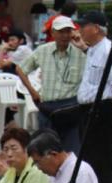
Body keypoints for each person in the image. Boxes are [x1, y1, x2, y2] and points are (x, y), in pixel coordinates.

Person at [12, 16, 85, 155]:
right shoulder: (43, 50)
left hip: (71, 106)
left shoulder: (81, 51)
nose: (65, 35)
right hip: (48, 107)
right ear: (53, 33)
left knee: (72, 153)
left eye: (68, 31)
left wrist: (82, 45)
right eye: (61, 31)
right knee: (46, 152)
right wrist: (32, 91)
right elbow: (21, 69)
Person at [74, 11, 112, 183]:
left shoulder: (109, 50)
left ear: (96, 28)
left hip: (103, 108)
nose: (81, 30)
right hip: (88, 108)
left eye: (84, 26)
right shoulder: (93, 50)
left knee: (101, 160)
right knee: (89, 160)